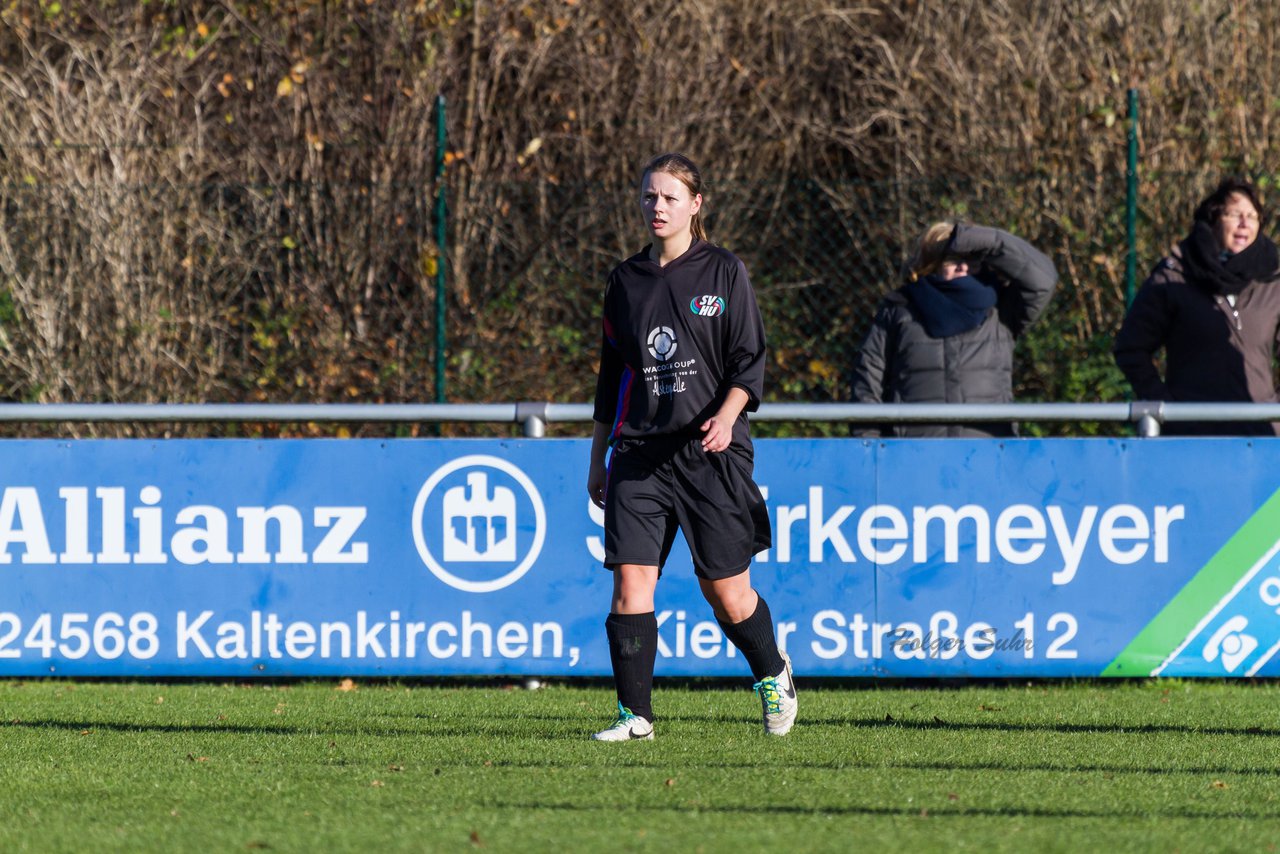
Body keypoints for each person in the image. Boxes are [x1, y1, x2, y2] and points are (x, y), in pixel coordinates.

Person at [586, 152, 796, 741]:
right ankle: (635, 717)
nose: (657, 207)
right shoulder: (625, 280)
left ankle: (773, 673)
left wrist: (728, 418)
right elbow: (612, 379)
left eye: (670, 198)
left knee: (727, 595)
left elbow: (748, 361)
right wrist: (597, 455)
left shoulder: (724, 271)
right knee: (630, 585)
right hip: (639, 454)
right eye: (650, 197)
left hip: (709, 451)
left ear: (695, 205)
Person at [850, 221, 1058, 437]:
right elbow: (868, 379)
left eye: (972, 260)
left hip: (989, 450)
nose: (964, 267)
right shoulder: (899, 310)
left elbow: (1043, 279)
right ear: (932, 265)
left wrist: (991, 241)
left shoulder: (1000, 309)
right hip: (914, 454)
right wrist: (870, 448)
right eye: (953, 260)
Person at [1114, 177, 1280, 436]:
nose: (1245, 223)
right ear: (1214, 218)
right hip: (1192, 436)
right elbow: (1131, 348)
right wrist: (1166, 407)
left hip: (1260, 435)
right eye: (1235, 214)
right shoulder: (1174, 275)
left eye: (1253, 216)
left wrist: (1274, 410)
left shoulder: (1273, 280)